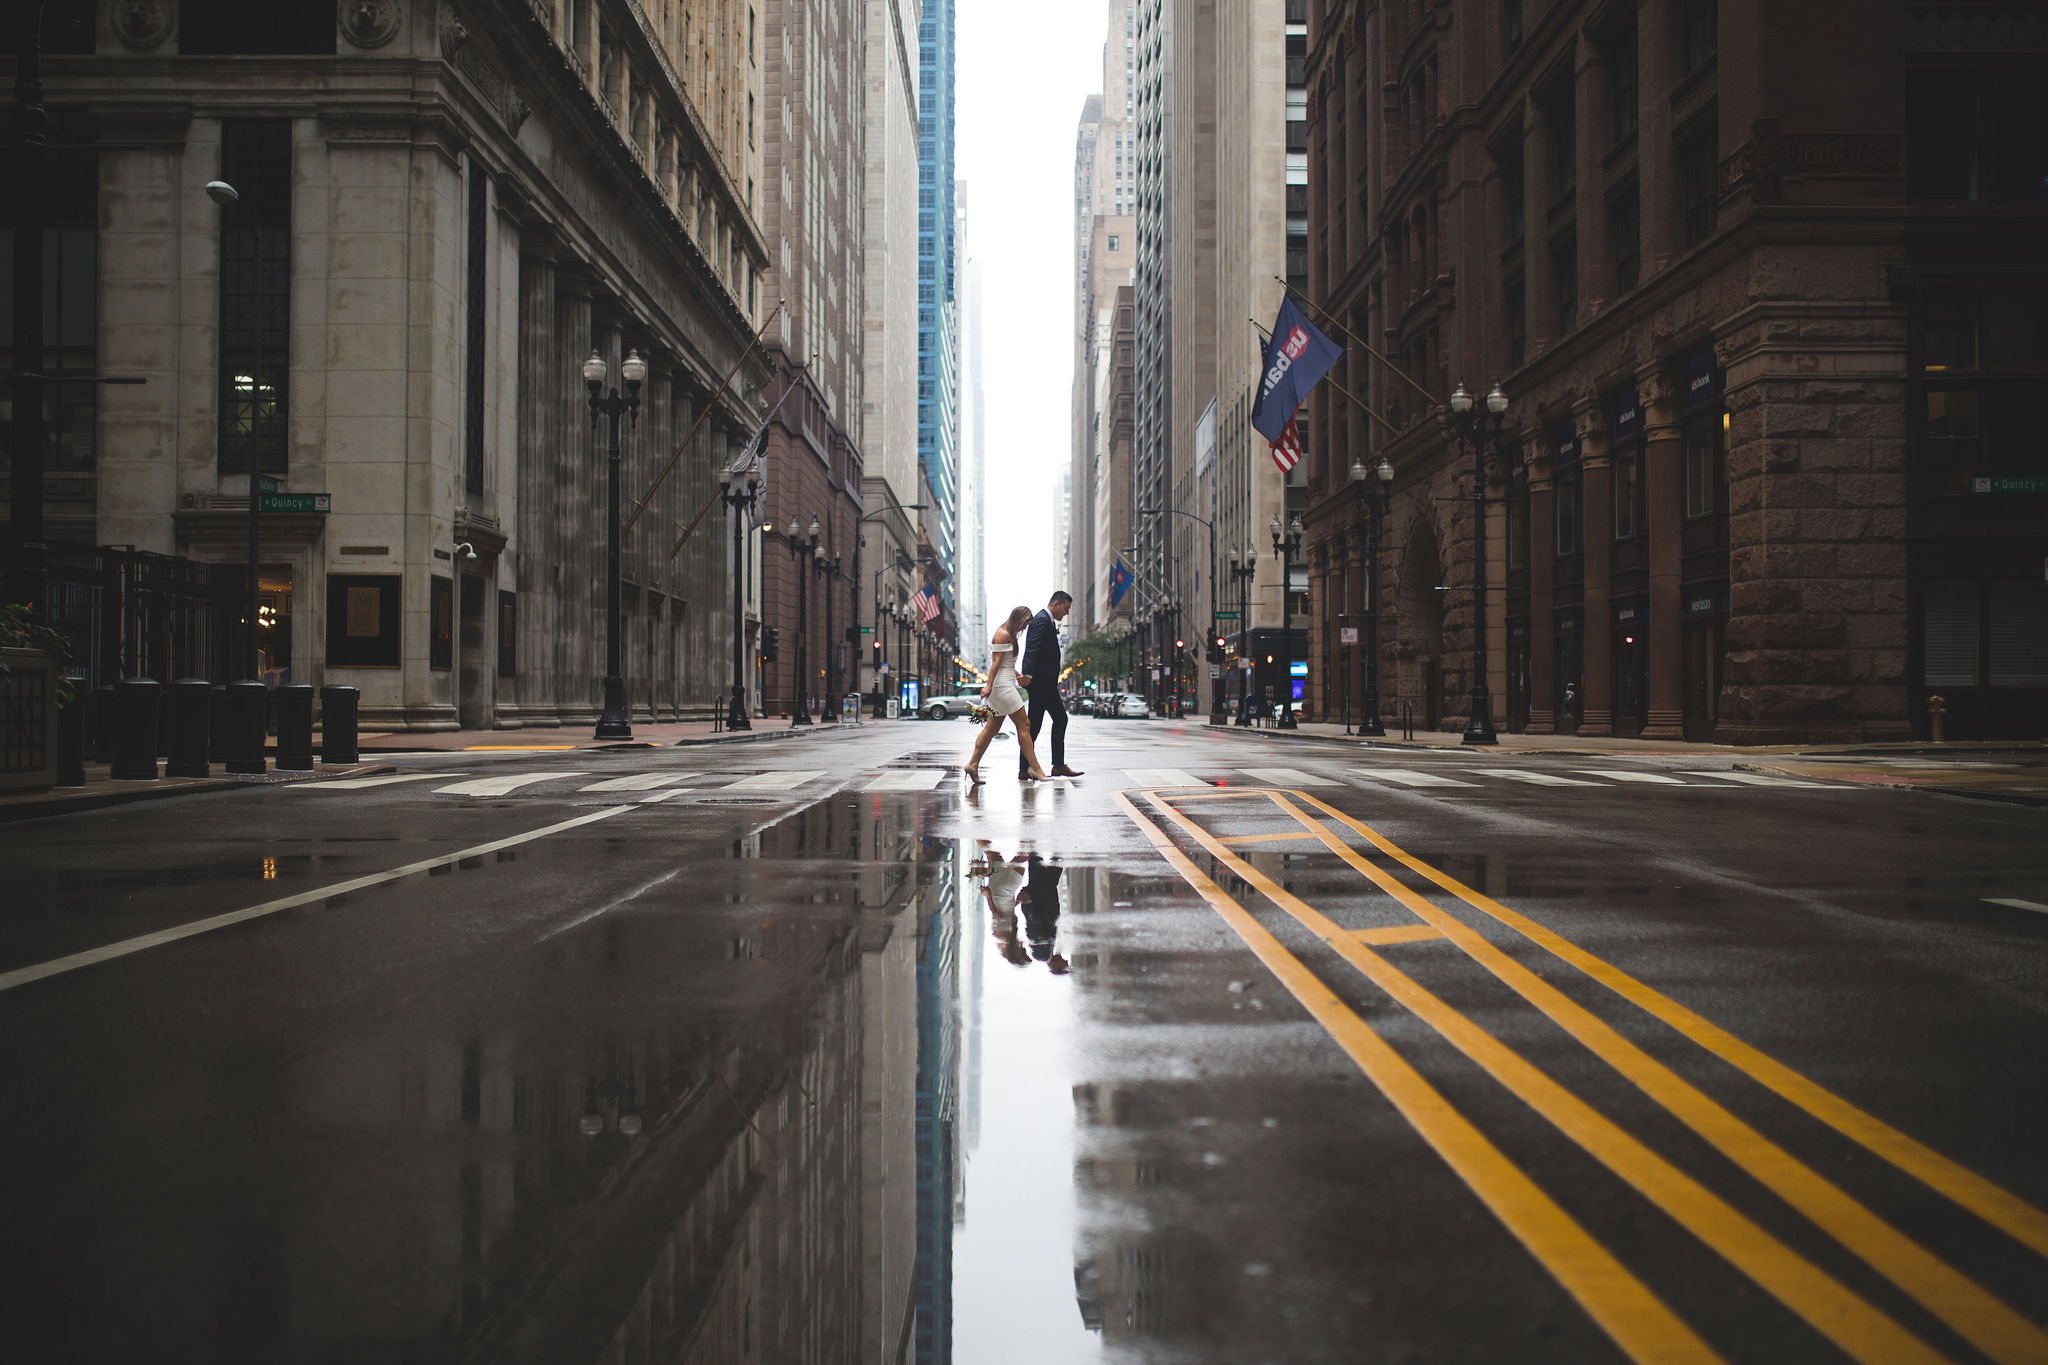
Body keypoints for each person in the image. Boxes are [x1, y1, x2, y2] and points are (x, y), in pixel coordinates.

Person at [964, 606, 1050, 784]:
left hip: (1005, 682)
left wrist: (1019, 675)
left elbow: (1005, 663)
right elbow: (996, 662)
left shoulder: (1008, 634)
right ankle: (1035, 768)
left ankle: (972, 764)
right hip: (1002, 686)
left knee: (991, 728)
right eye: (1025, 624)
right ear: (1019, 618)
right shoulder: (1003, 633)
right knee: (1024, 724)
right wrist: (988, 685)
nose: (1025, 628)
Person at [1018, 592, 1085, 780]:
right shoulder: (1041, 620)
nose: (1066, 613)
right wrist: (1028, 675)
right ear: (1056, 604)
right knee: (1060, 719)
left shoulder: (1045, 620)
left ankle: (1025, 769)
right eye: (1066, 608)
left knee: (1034, 727)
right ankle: (1058, 765)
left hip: (1042, 683)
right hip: (1041, 683)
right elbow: (1033, 647)